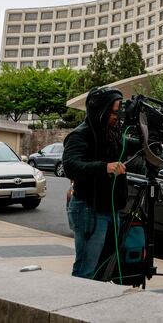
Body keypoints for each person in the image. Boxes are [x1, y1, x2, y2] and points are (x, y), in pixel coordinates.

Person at [63, 86, 128, 279]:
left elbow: (132, 144)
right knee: (86, 270)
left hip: (111, 209)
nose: (117, 117)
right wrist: (104, 167)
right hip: (89, 210)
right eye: (114, 112)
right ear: (101, 110)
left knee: (103, 270)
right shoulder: (80, 134)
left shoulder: (111, 134)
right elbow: (70, 166)